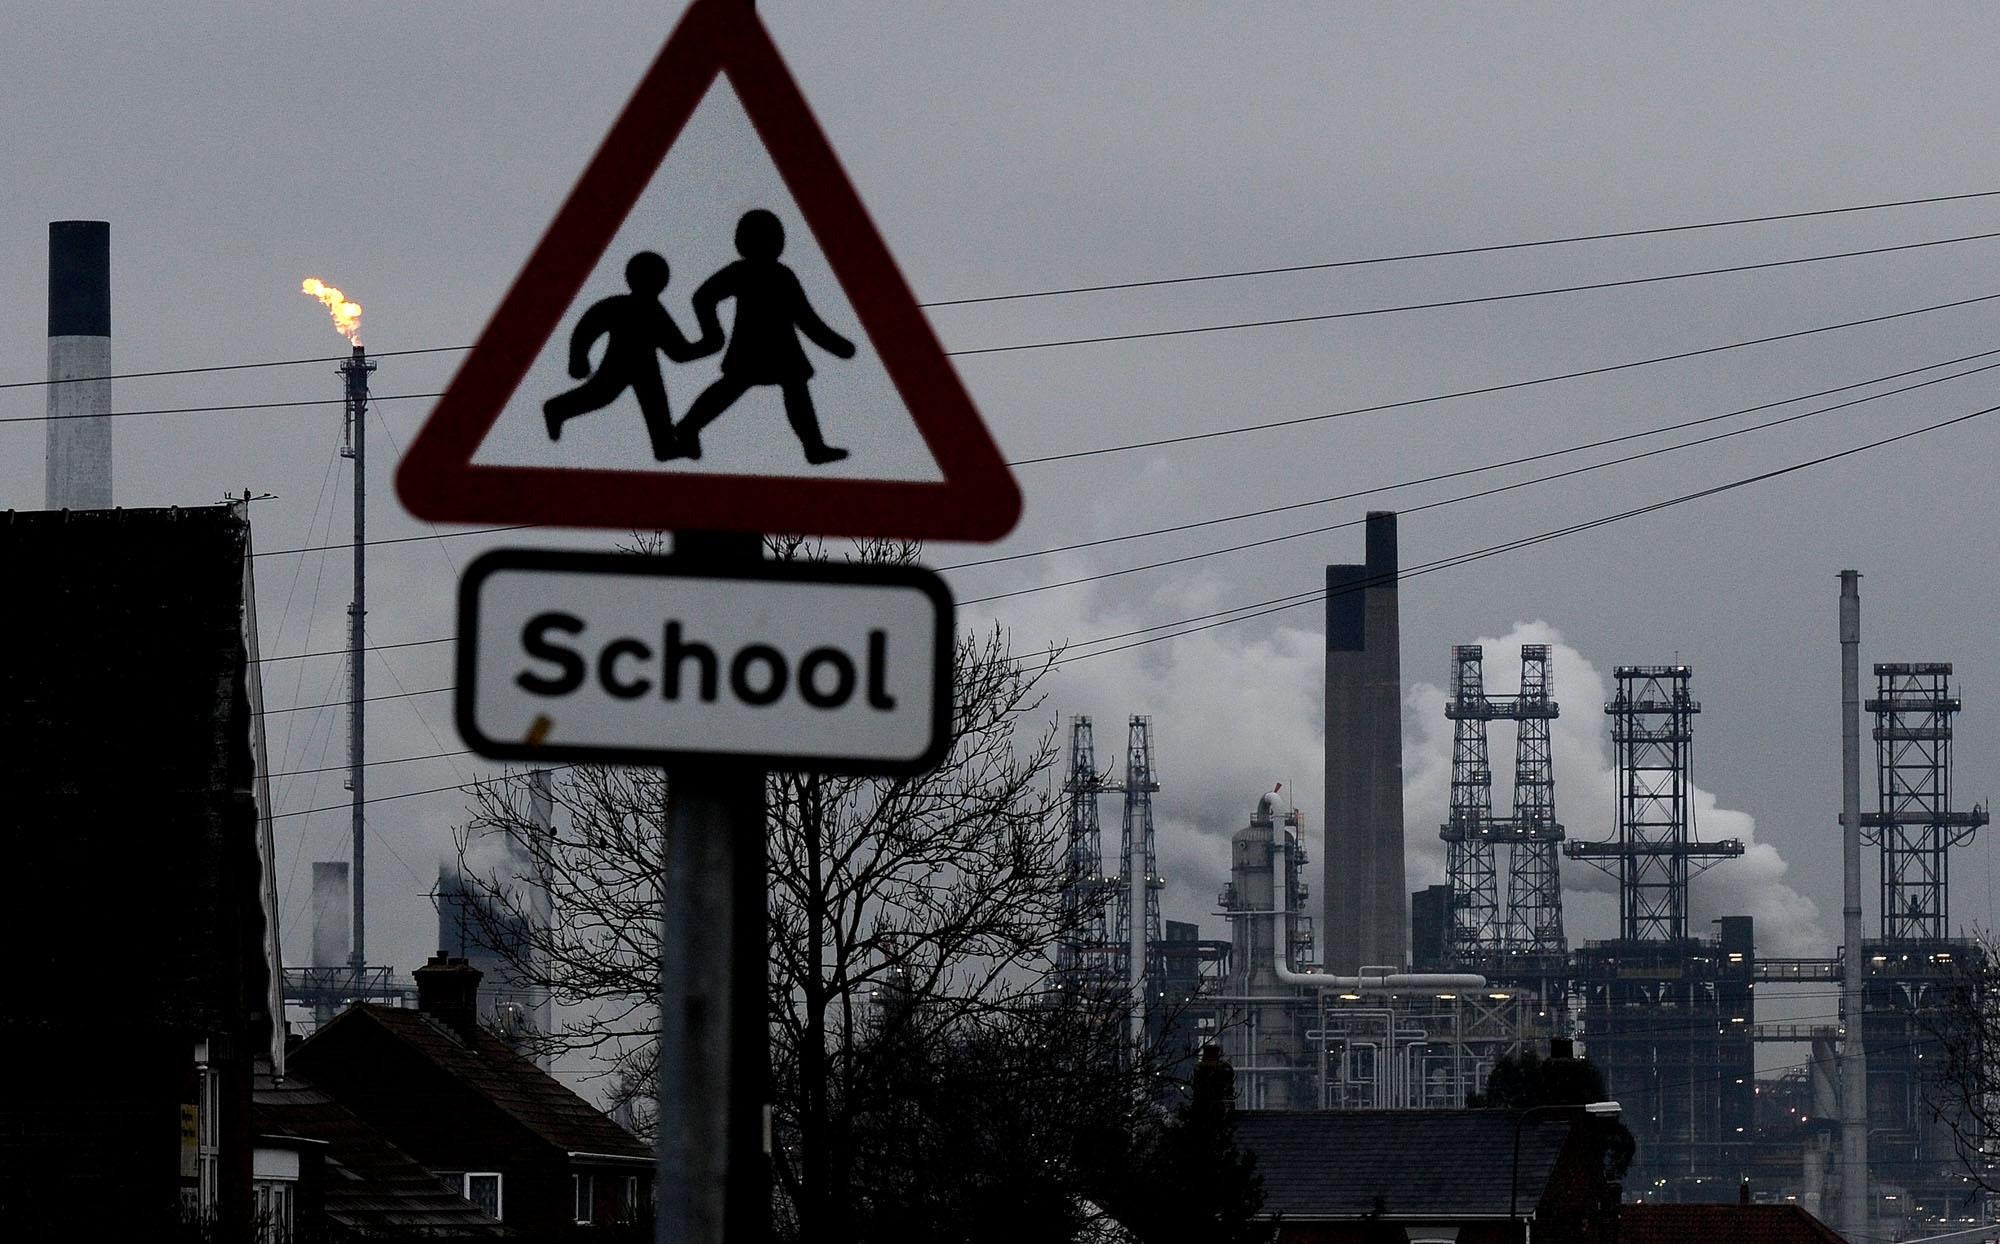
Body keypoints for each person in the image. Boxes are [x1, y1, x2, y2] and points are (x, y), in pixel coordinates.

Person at [671, 209, 857, 464]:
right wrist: (713, 333)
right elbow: (703, 297)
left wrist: (837, 345)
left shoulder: (782, 275)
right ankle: (687, 427)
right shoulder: (745, 272)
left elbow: (805, 317)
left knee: (790, 387)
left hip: (780, 347)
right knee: (734, 386)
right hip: (752, 346)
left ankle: (813, 447)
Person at [542, 251, 711, 460]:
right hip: (621, 363)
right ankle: (557, 408)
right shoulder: (624, 306)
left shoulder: (653, 311)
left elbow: (678, 351)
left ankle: (664, 445)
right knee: (602, 395)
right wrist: (578, 358)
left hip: (645, 368)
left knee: (653, 405)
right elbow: (588, 326)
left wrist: (707, 346)